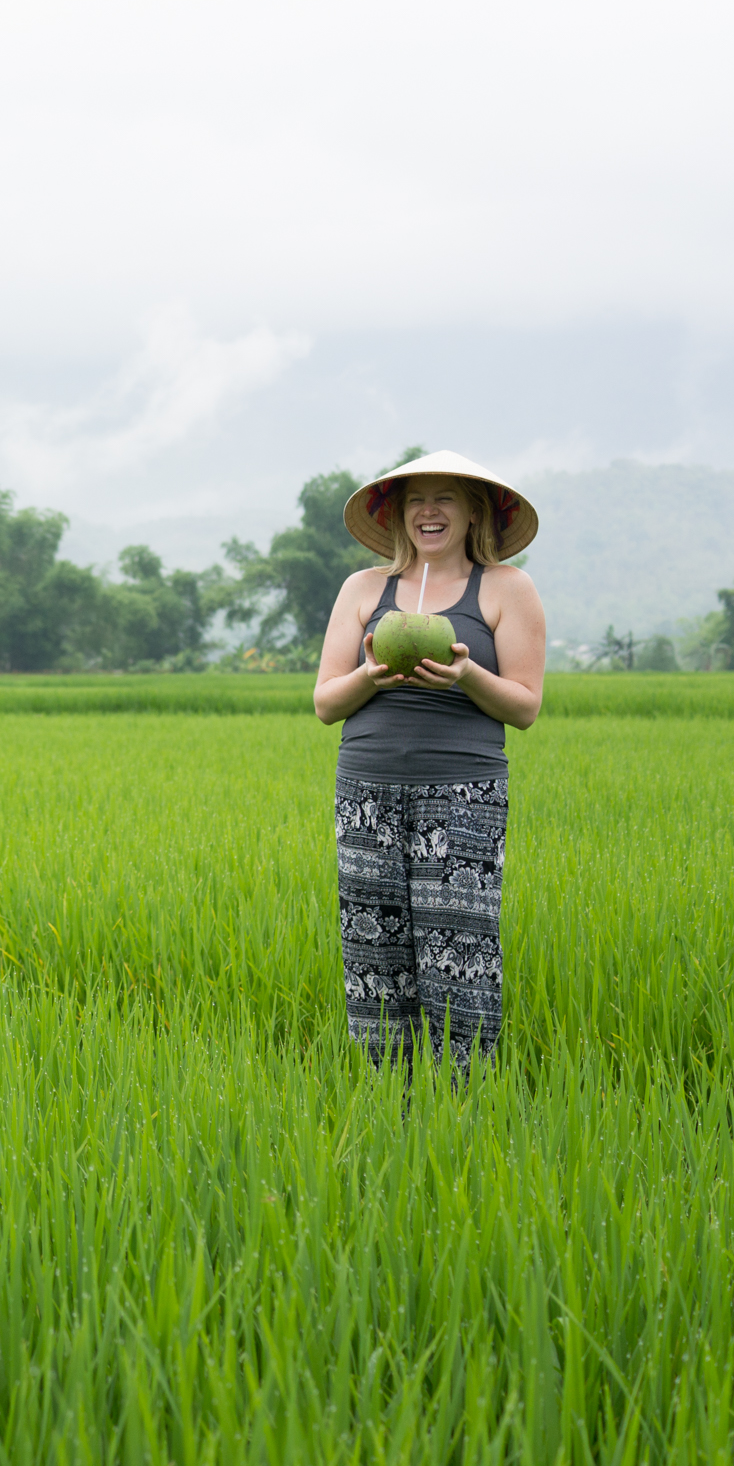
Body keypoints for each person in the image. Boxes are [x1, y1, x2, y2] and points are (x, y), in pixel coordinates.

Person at [312, 452, 545, 1072]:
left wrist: (466, 673)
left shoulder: (506, 589)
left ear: (474, 514)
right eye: (416, 499)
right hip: (366, 791)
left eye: (445, 498)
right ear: (398, 514)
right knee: (374, 956)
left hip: (463, 792)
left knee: (458, 956)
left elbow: (524, 708)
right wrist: (372, 676)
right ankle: (391, 1104)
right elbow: (325, 702)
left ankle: (461, 1106)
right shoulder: (364, 589)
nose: (429, 511)